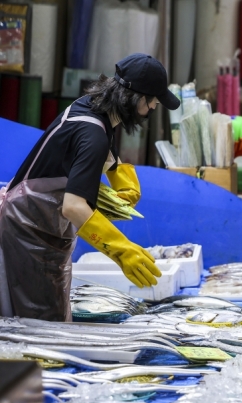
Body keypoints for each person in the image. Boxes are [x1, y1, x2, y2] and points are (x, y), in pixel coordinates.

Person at [0, 53, 180, 321]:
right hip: (27, 233)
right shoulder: (93, 133)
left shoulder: (94, 108)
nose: (154, 106)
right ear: (135, 98)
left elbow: (101, 151)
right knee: (40, 327)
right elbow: (73, 207)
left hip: (38, 226)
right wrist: (120, 249)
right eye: (153, 98)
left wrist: (123, 179)